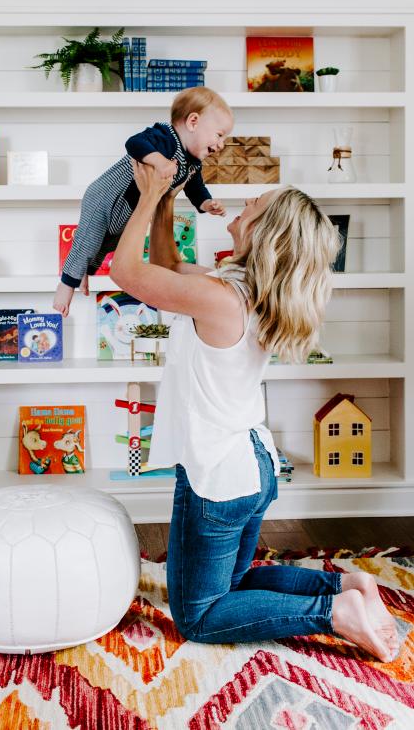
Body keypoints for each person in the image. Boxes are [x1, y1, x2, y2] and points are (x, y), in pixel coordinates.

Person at [110, 163, 400, 663]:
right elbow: (164, 264)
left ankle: (334, 614)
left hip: (219, 476)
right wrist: (165, 203)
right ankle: (347, 586)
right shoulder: (240, 288)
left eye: (254, 205)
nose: (243, 206)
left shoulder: (221, 297)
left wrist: (147, 194)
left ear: (265, 231)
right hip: (250, 464)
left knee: (198, 616)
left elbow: (127, 273)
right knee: (238, 579)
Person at [53, 87, 233, 317]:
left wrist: (206, 203)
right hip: (107, 196)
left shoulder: (193, 163)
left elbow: (195, 187)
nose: (221, 144)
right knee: (89, 238)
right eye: (219, 135)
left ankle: (84, 271)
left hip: (129, 209)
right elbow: (134, 143)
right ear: (193, 121)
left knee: (109, 245)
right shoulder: (166, 137)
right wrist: (159, 162)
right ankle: (66, 285)